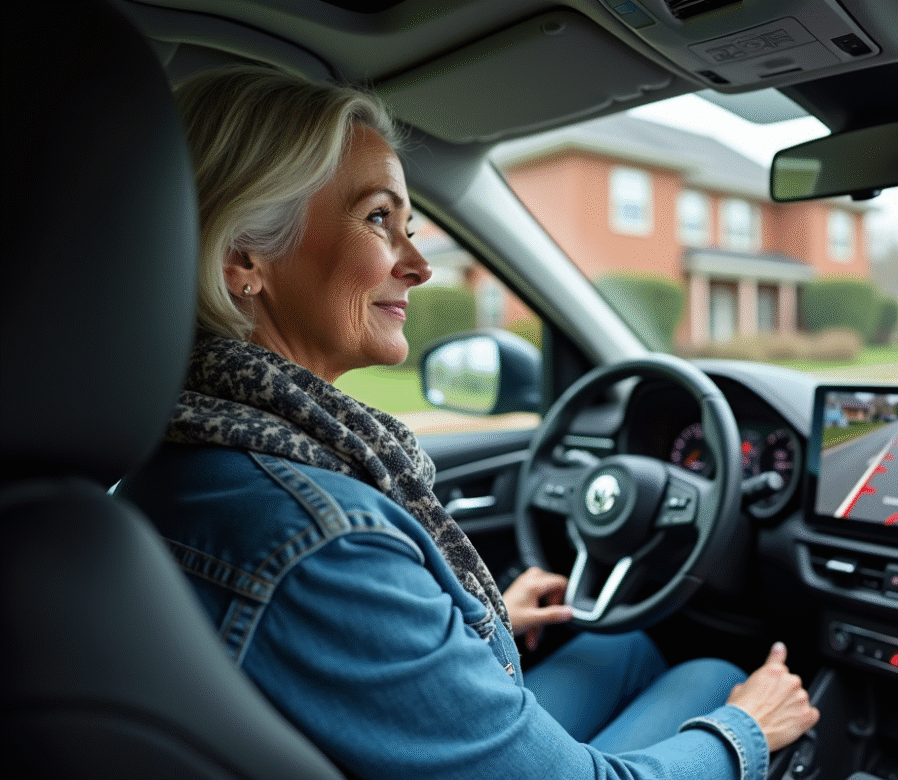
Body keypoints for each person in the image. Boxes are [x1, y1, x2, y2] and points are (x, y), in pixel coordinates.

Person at [117, 65, 819, 780]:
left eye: (410, 226)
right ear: (245, 258)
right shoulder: (321, 539)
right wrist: (747, 729)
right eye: (377, 219)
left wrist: (466, 625)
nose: (420, 264)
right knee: (711, 680)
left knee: (623, 648)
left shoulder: (175, 453)